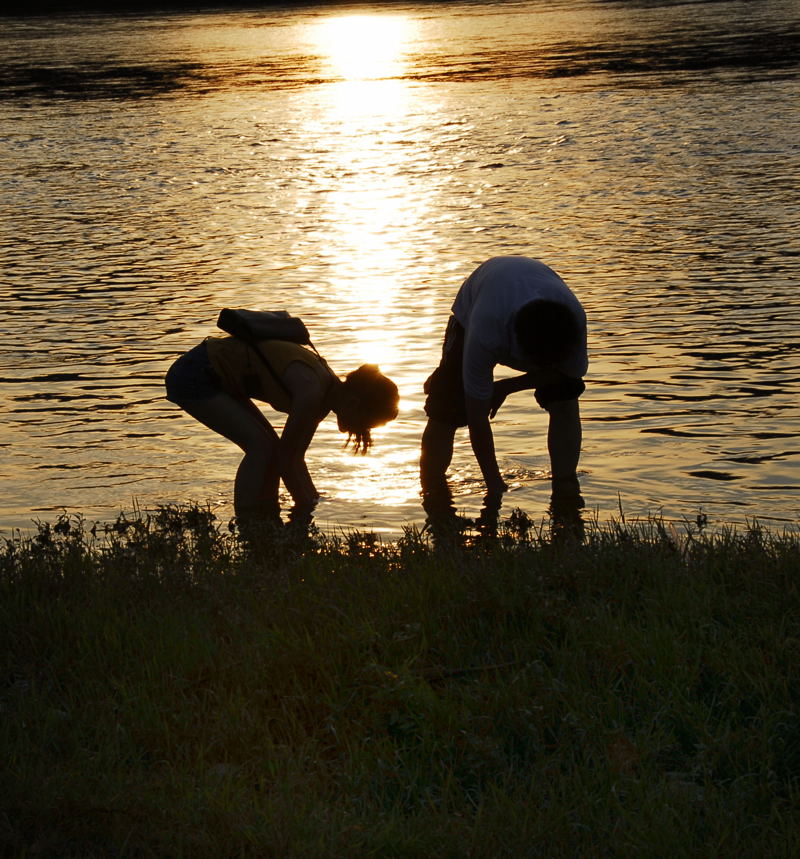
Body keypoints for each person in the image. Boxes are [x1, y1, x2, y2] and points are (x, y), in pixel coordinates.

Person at [165, 329, 399, 532]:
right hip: (195, 374)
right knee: (260, 448)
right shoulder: (312, 392)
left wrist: (311, 502)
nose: (362, 430)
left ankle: (265, 518)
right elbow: (288, 460)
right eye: (366, 424)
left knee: (269, 448)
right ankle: (247, 525)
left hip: (221, 379)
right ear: (355, 404)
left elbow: (294, 459)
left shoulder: (323, 395)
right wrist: (306, 511)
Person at [420, 255, 588, 509]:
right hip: (477, 300)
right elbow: (477, 419)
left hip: (531, 288)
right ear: (515, 347)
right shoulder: (486, 331)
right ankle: (432, 490)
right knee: (447, 408)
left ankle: (565, 488)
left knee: (565, 397)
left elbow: (568, 374)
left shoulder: (573, 324)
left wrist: (506, 387)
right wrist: (494, 484)